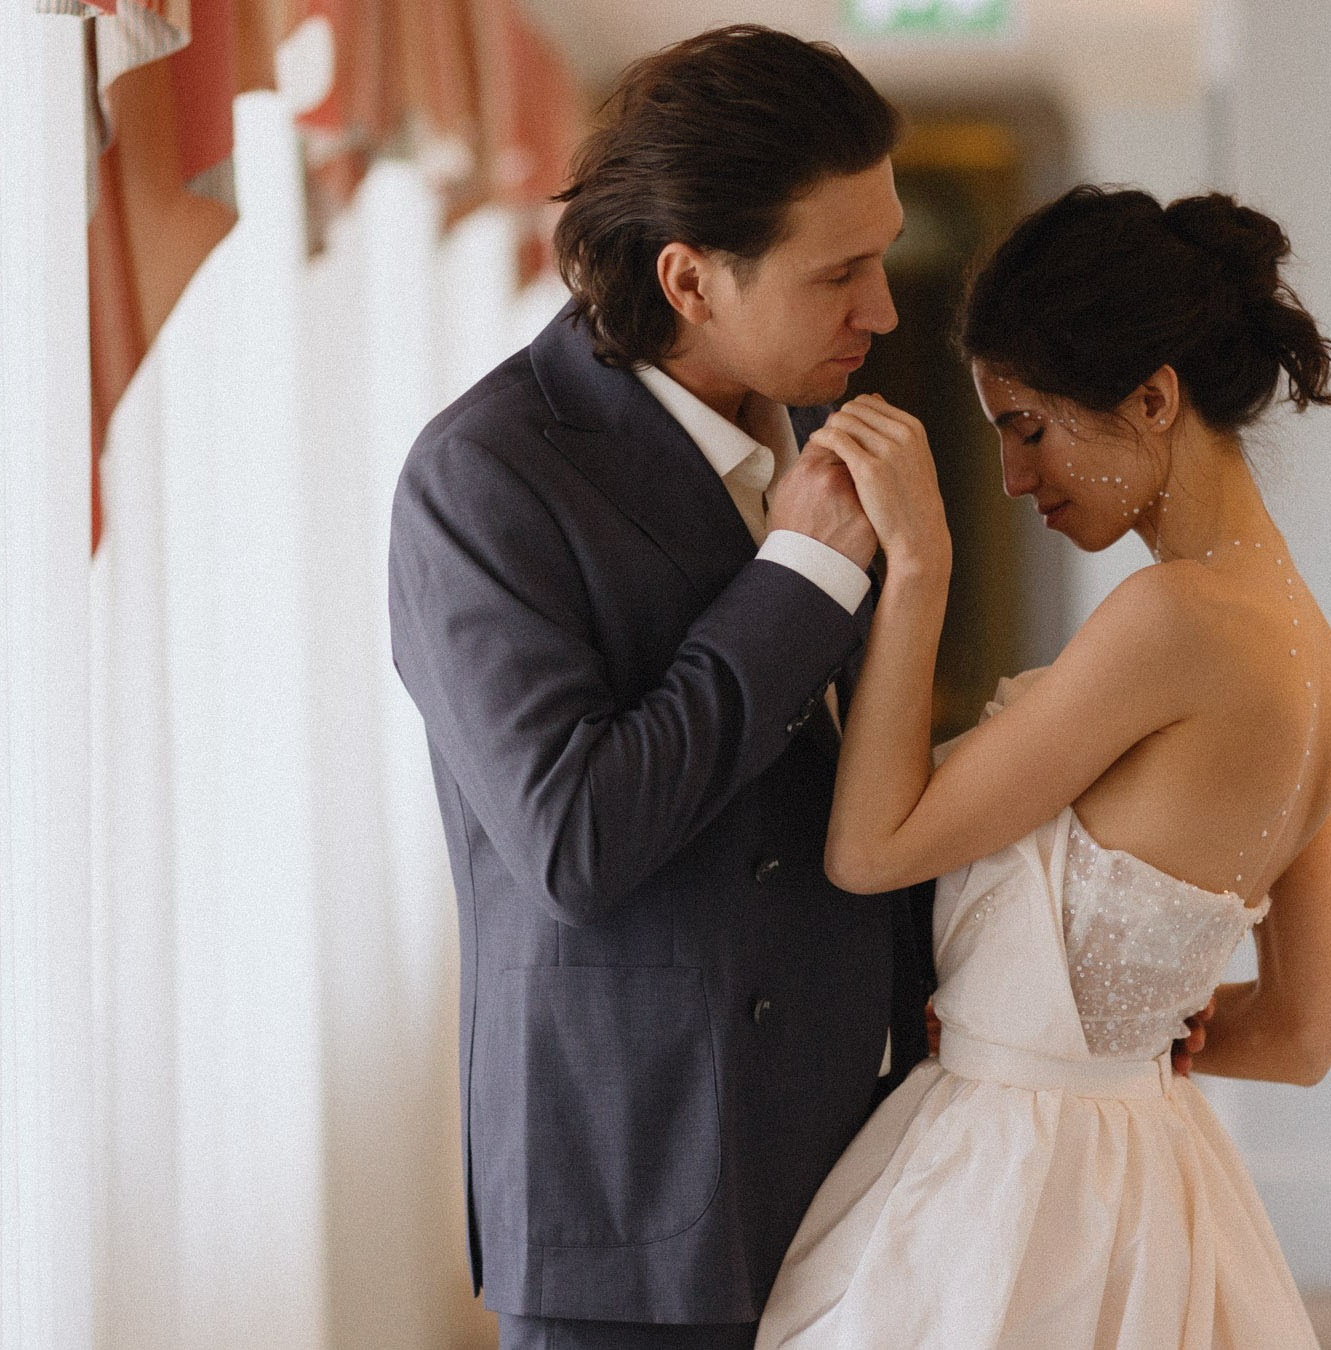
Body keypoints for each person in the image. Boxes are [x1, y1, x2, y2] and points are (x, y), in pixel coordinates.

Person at [386, 25, 941, 1350]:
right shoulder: (483, 475)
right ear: (691, 277)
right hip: (634, 1196)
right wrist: (802, 571)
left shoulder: (811, 425)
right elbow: (576, 837)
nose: (885, 310)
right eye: (843, 271)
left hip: (861, 1161)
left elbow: (852, 782)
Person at [754, 186, 1331, 1349]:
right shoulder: (1305, 639)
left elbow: (870, 847)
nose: (1017, 477)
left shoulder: (1173, 619)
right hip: (1149, 1181)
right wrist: (1122, 1023)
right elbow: (1299, 1034)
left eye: (1030, 425)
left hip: (1024, 1200)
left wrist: (921, 562)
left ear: (1153, 398)